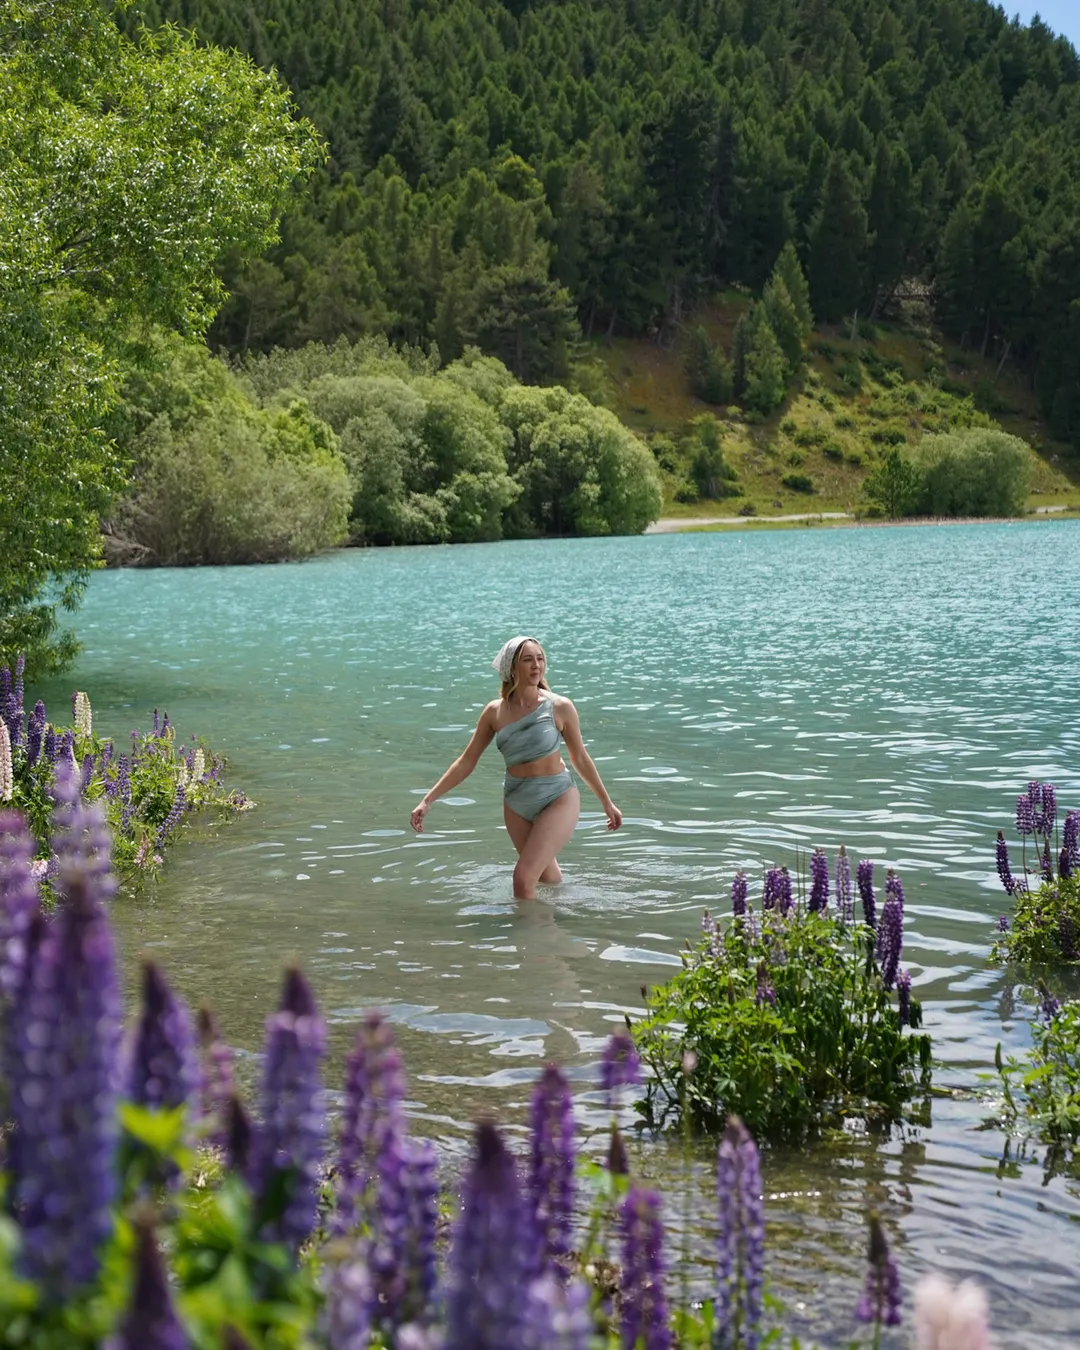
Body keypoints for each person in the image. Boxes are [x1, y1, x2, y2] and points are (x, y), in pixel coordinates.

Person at [409, 635, 622, 899]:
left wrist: (606, 803)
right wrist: (428, 800)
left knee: (522, 879)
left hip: (558, 797)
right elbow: (466, 761)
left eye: (540, 659)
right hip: (516, 802)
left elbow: (580, 757)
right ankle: (559, 917)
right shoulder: (494, 712)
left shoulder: (560, 707)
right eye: (528, 660)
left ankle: (530, 925)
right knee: (546, 879)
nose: (536, 665)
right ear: (511, 667)